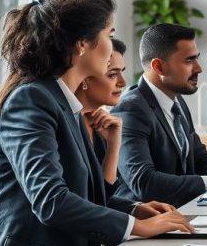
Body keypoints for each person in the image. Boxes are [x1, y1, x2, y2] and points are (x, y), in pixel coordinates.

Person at [0, 0, 193, 246]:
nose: (110, 46)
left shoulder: (63, 103)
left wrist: (132, 208)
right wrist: (138, 227)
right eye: (108, 33)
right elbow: (51, 201)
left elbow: (78, 193)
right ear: (83, 44)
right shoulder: (32, 100)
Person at [113, 23, 207, 207]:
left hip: (184, 212)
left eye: (197, 58)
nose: (199, 68)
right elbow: (143, 182)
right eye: (189, 60)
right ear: (159, 67)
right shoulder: (130, 109)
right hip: (147, 224)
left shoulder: (177, 100)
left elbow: (198, 155)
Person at [75, 39, 177, 216]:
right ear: (85, 78)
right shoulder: (67, 122)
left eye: (122, 72)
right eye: (112, 74)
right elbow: (71, 201)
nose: (123, 82)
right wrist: (136, 224)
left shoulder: (100, 123)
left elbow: (100, 197)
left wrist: (135, 208)